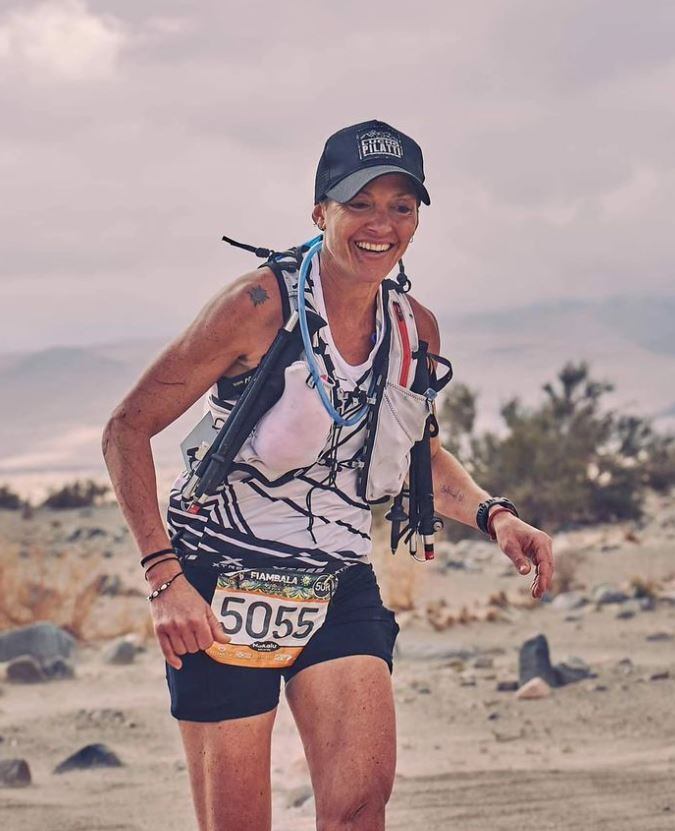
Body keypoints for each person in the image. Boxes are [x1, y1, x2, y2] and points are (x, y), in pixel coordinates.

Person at [102, 119, 554, 831]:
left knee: (358, 808)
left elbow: (413, 454)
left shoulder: (414, 329)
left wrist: (496, 515)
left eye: (401, 206)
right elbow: (125, 429)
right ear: (321, 212)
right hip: (222, 583)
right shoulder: (256, 308)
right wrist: (165, 576)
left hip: (336, 580)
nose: (382, 223)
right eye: (361, 203)